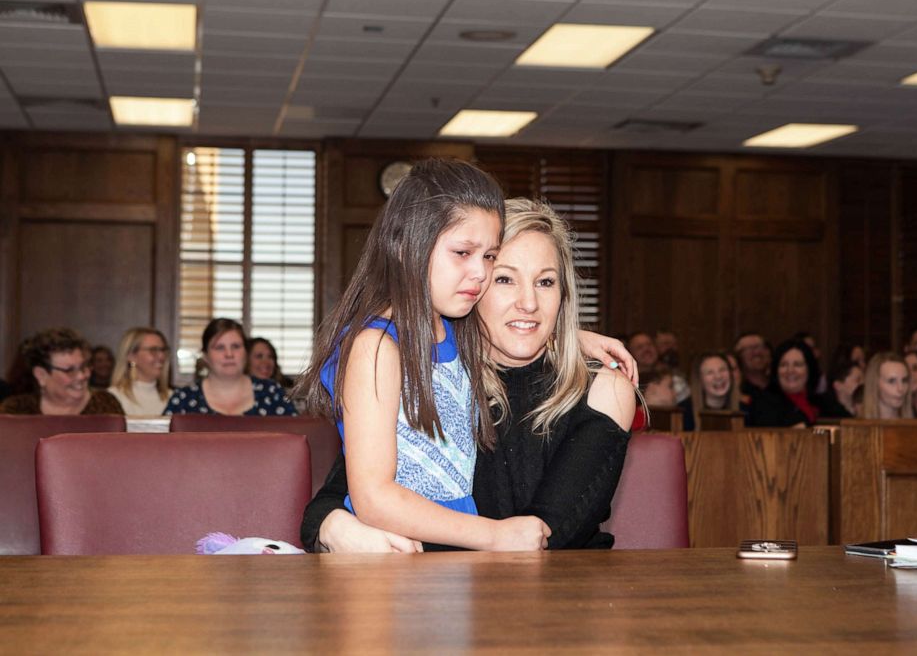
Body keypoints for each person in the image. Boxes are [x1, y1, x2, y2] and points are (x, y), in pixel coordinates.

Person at [299, 195, 636, 553]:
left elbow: (543, 536)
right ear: (472, 286)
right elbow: (339, 498)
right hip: (450, 594)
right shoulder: (438, 376)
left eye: (545, 282)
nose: (529, 302)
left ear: (563, 294)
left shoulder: (604, 388)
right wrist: (333, 527)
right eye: (505, 279)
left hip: (561, 595)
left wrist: (567, 339)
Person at [164, 318, 296, 416]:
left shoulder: (272, 393)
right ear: (205, 356)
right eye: (220, 348)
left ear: (245, 352)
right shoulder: (183, 399)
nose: (229, 354)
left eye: (236, 346)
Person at [0, 327, 124, 415]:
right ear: (41, 375)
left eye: (84, 367)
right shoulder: (17, 410)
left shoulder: (105, 406)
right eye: (69, 370)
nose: (81, 376)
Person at [747, 339, 824, 427]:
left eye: (797, 365)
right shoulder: (762, 403)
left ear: (809, 369)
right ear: (776, 370)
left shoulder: (824, 402)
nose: (790, 371)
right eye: (783, 365)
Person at [108, 327, 173, 416]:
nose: (161, 356)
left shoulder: (173, 398)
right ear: (131, 356)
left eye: (163, 350)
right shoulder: (113, 397)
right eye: (153, 350)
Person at [680, 352, 742, 431]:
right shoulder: (684, 413)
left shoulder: (745, 409)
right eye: (710, 372)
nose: (718, 376)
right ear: (699, 380)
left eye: (722, 370)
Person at [860, 352, 912, 419]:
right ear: (875, 384)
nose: (900, 388)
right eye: (892, 381)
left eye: (904, 381)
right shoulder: (854, 427)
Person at [734, 332, 771, 399]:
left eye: (761, 347)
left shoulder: (782, 387)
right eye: (750, 348)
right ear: (738, 356)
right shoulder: (736, 392)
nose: (757, 352)